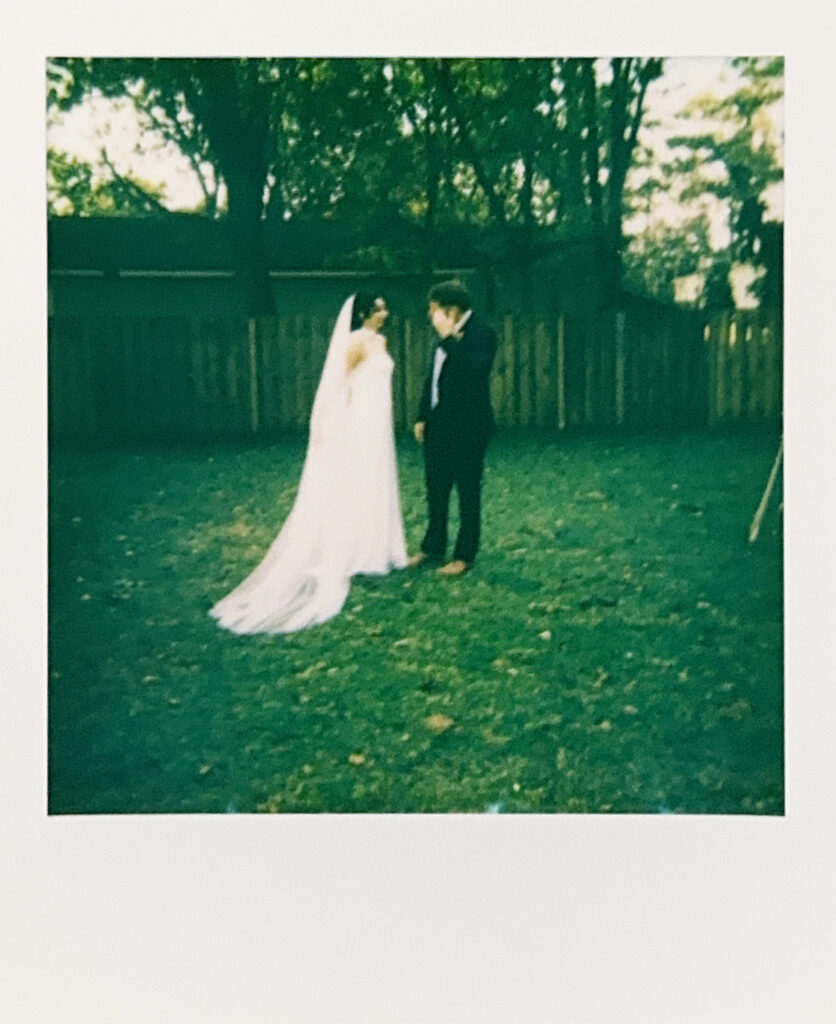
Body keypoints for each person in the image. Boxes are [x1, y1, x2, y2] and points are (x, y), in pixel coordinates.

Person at [210, 292, 407, 634]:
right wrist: (331, 423)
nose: (385, 312)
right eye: (379, 308)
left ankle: (375, 545)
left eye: (385, 307)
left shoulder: (381, 340)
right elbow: (336, 383)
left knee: (377, 482)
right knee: (356, 483)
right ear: (363, 313)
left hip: (380, 422)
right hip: (359, 422)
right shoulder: (354, 342)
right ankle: (350, 548)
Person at [409, 279, 497, 577]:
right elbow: (433, 378)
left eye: (435, 309)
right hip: (438, 426)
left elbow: (474, 372)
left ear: (452, 310)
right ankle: (432, 547)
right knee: (436, 489)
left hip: (469, 428)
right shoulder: (442, 336)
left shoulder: (483, 332)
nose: (430, 315)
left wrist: (449, 337)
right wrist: (423, 415)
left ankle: (464, 555)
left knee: (467, 491)